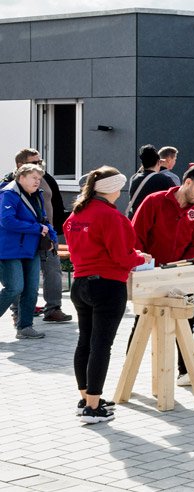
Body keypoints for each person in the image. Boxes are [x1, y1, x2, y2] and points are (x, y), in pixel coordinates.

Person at [65, 166, 150, 424]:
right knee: (101, 346)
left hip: (80, 284)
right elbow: (122, 256)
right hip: (107, 285)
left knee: (86, 343)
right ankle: (93, 406)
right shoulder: (111, 217)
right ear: (113, 188)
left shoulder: (75, 215)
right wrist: (140, 257)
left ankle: (86, 399)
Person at [130, 165, 194, 382]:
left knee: (186, 319)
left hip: (181, 273)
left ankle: (185, 370)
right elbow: (137, 234)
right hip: (150, 271)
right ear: (188, 182)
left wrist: (182, 268)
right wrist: (143, 263)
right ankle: (129, 369)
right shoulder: (154, 201)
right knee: (142, 320)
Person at [5, 149, 71, 323]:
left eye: (40, 162)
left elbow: (56, 204)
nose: (39, 166)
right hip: (23, 240)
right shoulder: (9, 186)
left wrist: (54, 231)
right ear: (21, 166)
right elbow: (7, 219)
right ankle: (19, 313)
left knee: (53, 271)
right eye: (34, 163)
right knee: (21, 281)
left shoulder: (45, 179)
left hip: (46, 235)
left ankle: (53, 309)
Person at [0, 163, 59, 340]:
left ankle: (25, 327)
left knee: (31, 289)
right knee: (14, 288)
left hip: (30, 249)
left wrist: (53, 238)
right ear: (21, 176)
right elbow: (7, 221)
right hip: (9, 250)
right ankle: (24, 325)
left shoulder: (37, 195)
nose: (37, 182)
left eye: (39, 179)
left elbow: (43, 220)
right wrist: (36, 228)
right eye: (34, 178)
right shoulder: (8, 194)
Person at [126, 144, 178, 217]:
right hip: (153, 222)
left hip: (136, 220)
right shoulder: (165, 180)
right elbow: (177, 201)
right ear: (158, 162)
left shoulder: (134, 178)